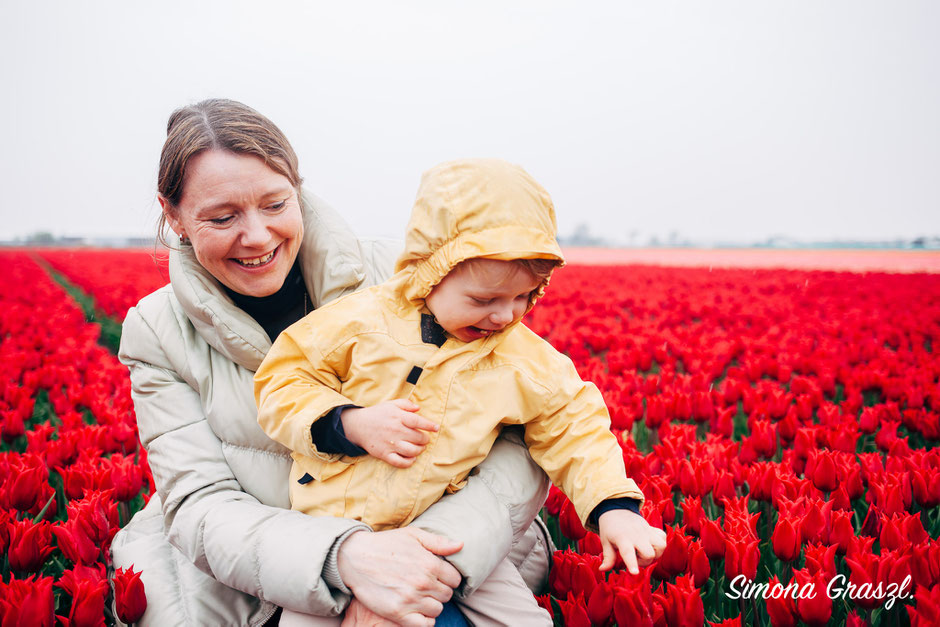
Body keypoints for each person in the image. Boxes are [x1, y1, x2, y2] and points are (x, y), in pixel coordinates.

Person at [109, 100, 557, 627]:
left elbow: (524, 435)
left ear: (297, 186)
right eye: (223, 217)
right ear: (174, 214)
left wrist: (418, 558)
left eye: (276, 204)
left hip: (447, 534)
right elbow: (202, 503)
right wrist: (345, 561)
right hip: (267, 558)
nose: (256, 236)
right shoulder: (157, 331)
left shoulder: (408, 277)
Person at [255, 158, 668, 625]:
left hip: (450, 537)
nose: (504, 316)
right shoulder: (360, 323)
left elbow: (574, 425)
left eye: (524, 298)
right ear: (430, 271)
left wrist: (614, 507)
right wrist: (349, 423)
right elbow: (282, 380)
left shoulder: (521, 358)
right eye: (483, 300)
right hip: (338, 534)